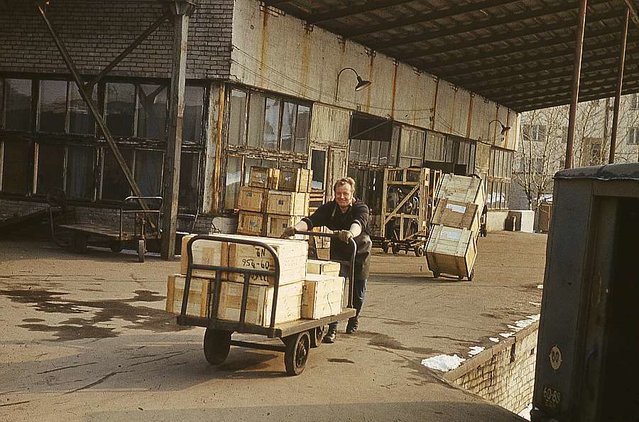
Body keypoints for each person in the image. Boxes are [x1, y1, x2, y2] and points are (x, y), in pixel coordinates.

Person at [282, 177, 372, 344]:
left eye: (345, 194)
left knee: (357, 292)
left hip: (359, 249)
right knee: (336, 289)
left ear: (352, 194)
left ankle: (354, 317)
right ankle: (332, 329)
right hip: (339, 247)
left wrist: (350, 233)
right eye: (338, 194)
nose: (342, 197)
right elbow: (311, 220)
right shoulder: (330, 208)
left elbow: (358, 223)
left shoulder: (361, 208)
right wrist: (295, 228)